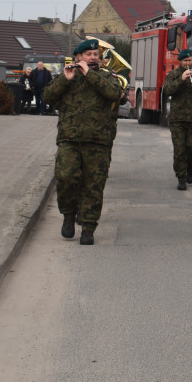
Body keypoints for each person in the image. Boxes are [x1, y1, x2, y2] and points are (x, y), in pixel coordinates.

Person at [43, 39, 124, 245]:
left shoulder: (107, 77)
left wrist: (90, 74)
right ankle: (69, 215)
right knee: (66, 177)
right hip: (69, 139)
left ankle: (88, 227)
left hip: (99, 141)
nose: (93, 57)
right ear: (78, 57)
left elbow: (114, 93)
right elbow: (47, 97)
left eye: (96, 54)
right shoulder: (68, 76)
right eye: (88, 54)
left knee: (93, 186)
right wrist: (64, 80)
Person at [163, 50, 192, 190]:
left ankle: (190, 171)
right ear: (180, 61)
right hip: (178, 119)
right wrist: (181, 80)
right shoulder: (173, 74)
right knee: (179, 150)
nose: (188, 63)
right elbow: (167, 91)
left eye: (190, 61)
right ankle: (181, 178)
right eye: (185, 61)